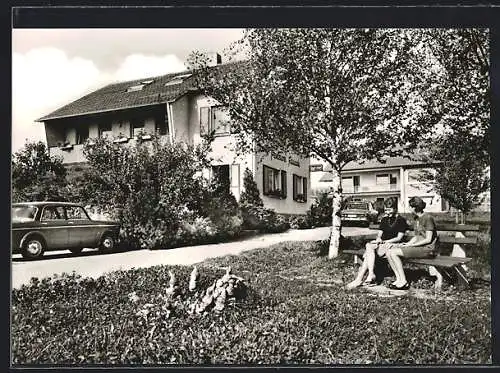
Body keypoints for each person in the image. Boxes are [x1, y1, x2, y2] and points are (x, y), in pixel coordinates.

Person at [346, 197, 409, 289]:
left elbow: (399, 238)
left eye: (390, 210)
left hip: (394, 245)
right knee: (369, 246)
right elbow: (380, 234)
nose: (387, 212)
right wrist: (378, 239)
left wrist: (384, 242)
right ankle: (370, 274)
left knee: (368, 253)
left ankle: (360, 279)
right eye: (386, 210)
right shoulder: (384, 220)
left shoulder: (401, 220)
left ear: (395, 209)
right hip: (383, 245)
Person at [385, 196, 438, 290]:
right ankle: (399, 279)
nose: (409, 208)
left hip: (428, 249)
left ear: (415, 207)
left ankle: (404, 282)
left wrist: (412, 245)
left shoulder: (428, 218)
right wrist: (407, 244)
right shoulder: (417, 218)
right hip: (420, 248)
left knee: (393, 253)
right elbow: (417, 237)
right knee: (389, 251)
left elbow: (428, 239)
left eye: (410, 206)